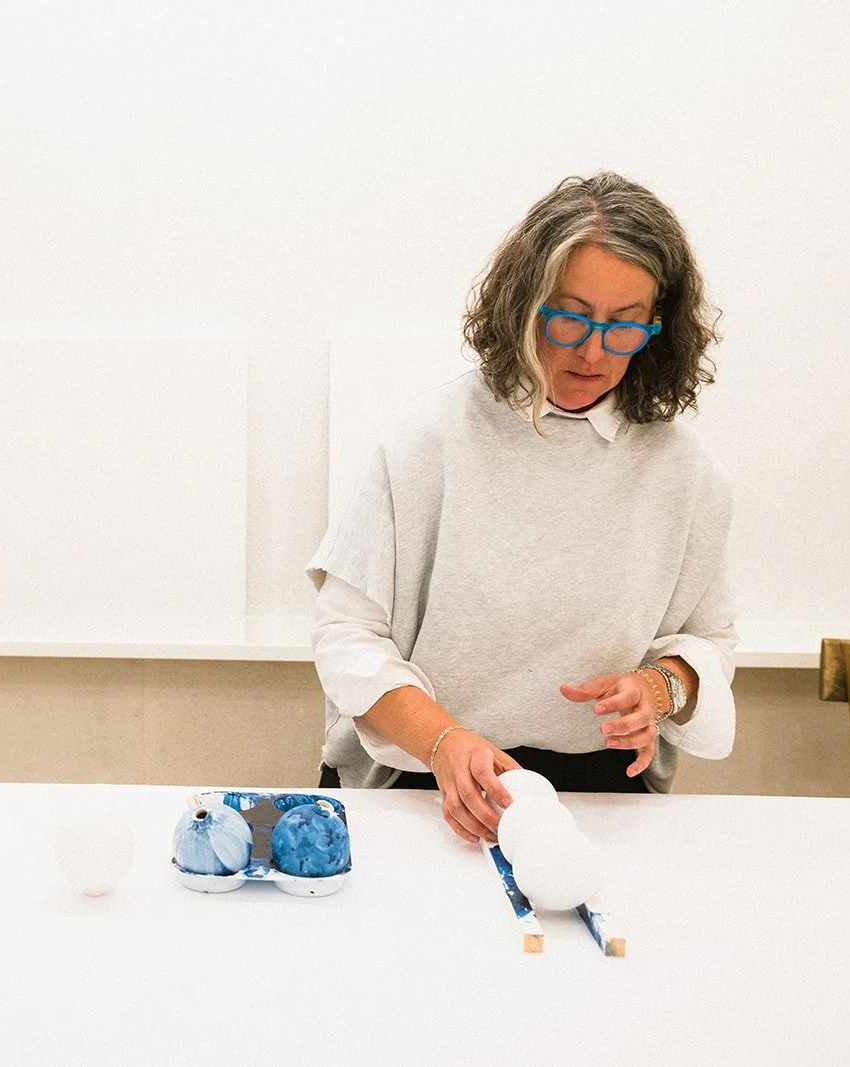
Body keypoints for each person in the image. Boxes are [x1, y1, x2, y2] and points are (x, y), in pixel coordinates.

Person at [308, 171, 736, 844]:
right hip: (423, 782)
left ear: (659, 328)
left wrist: (660, 688)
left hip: (602, 797)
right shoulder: (428, 442)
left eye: (624, 328)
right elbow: (347, 636)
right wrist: (444, 741)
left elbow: (708, 642)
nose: (594, 351)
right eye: (570, 318)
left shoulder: (685, 472)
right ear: (522, 305)